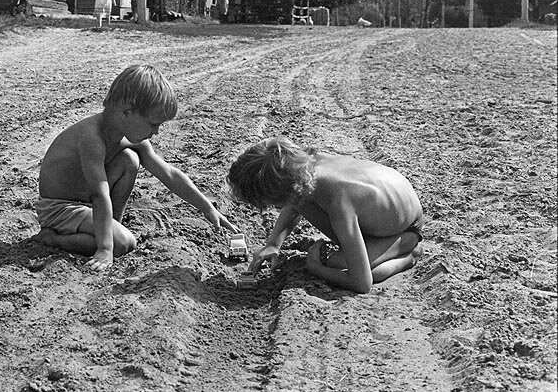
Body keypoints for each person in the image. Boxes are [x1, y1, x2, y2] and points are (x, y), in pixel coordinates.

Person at [35, 65, 238, 271]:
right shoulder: (92, 139)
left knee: (129, 159)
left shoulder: (128, 139)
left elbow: (168, 174)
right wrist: (106, 248)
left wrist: (207, 207)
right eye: (152, 124)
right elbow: (99, 194)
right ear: (127, 112)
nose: (157, 132)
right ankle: (54, 238)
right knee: (124, 243)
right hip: (60, 208)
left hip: (87, 204)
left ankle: (111, 225)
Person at [226, 137, 423, 294]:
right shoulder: (307, 166)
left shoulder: (339, 202)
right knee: (301, 200)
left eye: (272, 203)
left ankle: (407, 251)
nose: (274, 207)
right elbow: (295, 200)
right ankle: (386, 245)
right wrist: (273, 244)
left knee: (338, 264)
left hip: (405, 227)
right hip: (388, 205)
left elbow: (362, 284)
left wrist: (315, 267)